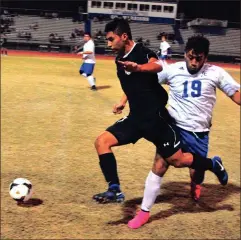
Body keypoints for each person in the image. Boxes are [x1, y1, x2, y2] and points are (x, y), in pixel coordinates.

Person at [93, 19, 228, 207]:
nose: (108, 44)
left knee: (179, 161)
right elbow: (133, 84)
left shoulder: (142, 51)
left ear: (123, 37)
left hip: (157, 120)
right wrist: (123, 102)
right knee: (101, 142)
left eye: (111, 39)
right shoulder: (119, 58)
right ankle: (114, 189)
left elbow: (156, 66)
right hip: (136, 119)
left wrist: (139, 67)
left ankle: (213, 164)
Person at [117, 35, 240, 229]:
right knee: (160, 164)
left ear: (206, 57)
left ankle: (200, 178)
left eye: (199, 58)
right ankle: (144, 212)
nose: (194, 62)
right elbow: (143, 84)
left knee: (196, 173)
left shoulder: (216, 73)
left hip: (200, 131)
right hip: (172, 126)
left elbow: (235, 94)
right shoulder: (173, 70)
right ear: (185, 54)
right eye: (191, 57)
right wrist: (124, 101)